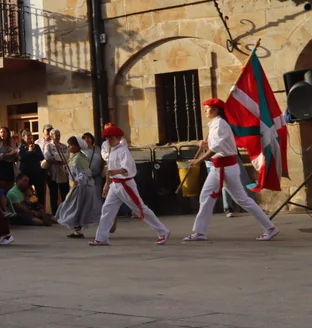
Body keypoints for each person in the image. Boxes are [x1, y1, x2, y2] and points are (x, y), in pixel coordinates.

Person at [184, 99, 279, 243]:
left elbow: (216, 148)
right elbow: (218, 145)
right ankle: (200, 232)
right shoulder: (215, 124)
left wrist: (199, 159)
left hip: (227, 168)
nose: (205, 111)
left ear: (216, 110)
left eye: (207, 108)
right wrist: (206, 144)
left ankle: (270, 227)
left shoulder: (220, 124)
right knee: (206, 196)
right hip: (218, 167)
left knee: (242, 200)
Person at [91, 124, 169, 246]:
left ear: (118, 138)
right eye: (107, 138)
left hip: (125, 185)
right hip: (115, 185)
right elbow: (109, 170)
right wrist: (107, 184)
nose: (108, 141)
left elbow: (127, 168)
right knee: (107, 209)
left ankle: (163, 231)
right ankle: (101, 237)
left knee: (140, 209)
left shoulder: (123, 151)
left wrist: (115, 172)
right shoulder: (111, 151)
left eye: (111, 138)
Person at [56, 136, 102, 239]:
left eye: (71, 145)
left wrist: (78, 180)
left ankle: (78, 230)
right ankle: (77, 230)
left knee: (74, 207)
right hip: (79, 186)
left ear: (78, 147)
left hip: (82, 187)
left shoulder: (78, 158)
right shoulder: (75, 157)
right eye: (69, 144)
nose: (69, 147)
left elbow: (85, 173)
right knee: (76, 208)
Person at [42, 129, 71, 212]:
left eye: (59, 135)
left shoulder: (64, 146)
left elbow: (67, 157)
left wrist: (55, 156)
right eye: (56, 135)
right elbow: (47, 157)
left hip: (63, 172)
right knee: (53, 193)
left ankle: (66, 212)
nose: (58, 137)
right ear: (51, 136)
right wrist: (59, 159)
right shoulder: (48, 146)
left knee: (65, 193)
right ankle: (55, 213)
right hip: (52, 172)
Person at [18, 129, 47, 213]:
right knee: (27, 192)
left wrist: (33, 151)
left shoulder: (36, 146)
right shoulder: (21, 147)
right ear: (23, 137)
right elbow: (22, 158)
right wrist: (29, 151)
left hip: (37, 173)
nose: (30, 137)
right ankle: (31, 210)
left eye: (30, 135)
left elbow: (41, 157)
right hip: (26, 174)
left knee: (40, 192)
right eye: (27, 135)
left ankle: (41, 210)